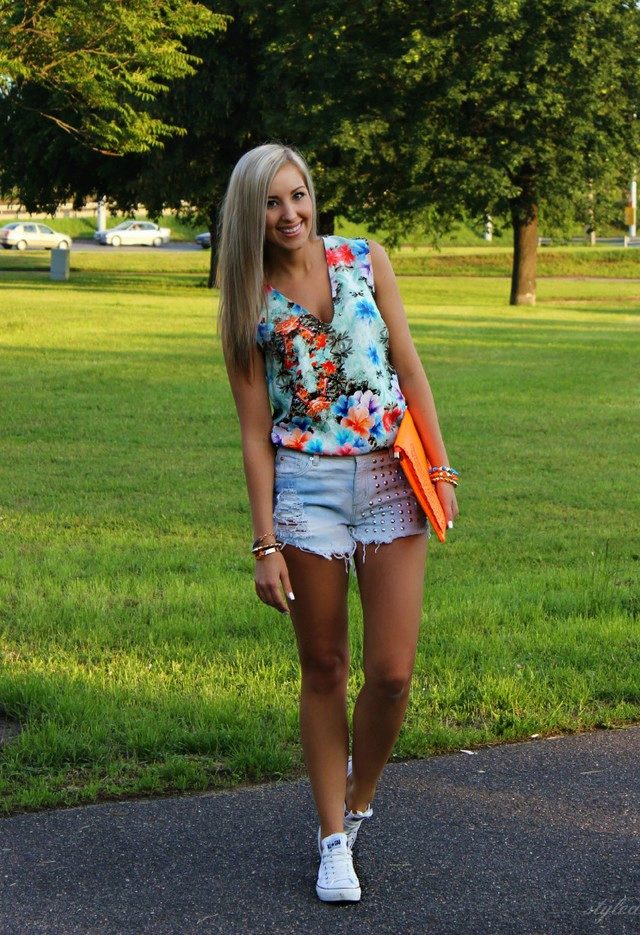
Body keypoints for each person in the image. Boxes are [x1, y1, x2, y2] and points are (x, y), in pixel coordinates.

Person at [218, 143, 459, 903]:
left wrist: (441, 468)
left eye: (298, 195)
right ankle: (331, 842)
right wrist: (264, 541)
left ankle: (357, 802)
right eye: (271, 202)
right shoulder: (247, 301)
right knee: (324, 668)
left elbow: (409, 367)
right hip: (307, 490)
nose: (289, 213)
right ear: (251, 213)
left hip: (392, 478)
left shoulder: (365, 259)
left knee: (392, 673)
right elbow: (254, 434)